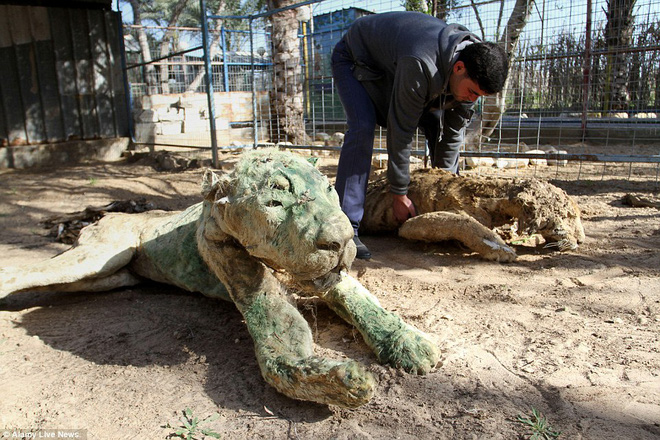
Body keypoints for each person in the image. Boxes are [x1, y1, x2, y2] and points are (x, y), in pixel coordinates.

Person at [331, 11, 509, 259]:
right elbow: (401, 129)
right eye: (472, 92)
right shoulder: (421, 63)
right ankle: (347, 228)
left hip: (396, 65)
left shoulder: (474, 66)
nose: (472, 100)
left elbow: (452, 136)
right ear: (459, 68)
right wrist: (399, 193)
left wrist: (447, 191)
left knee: (436, 121)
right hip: (357, 59)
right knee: (363, 126)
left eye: (478, 96)